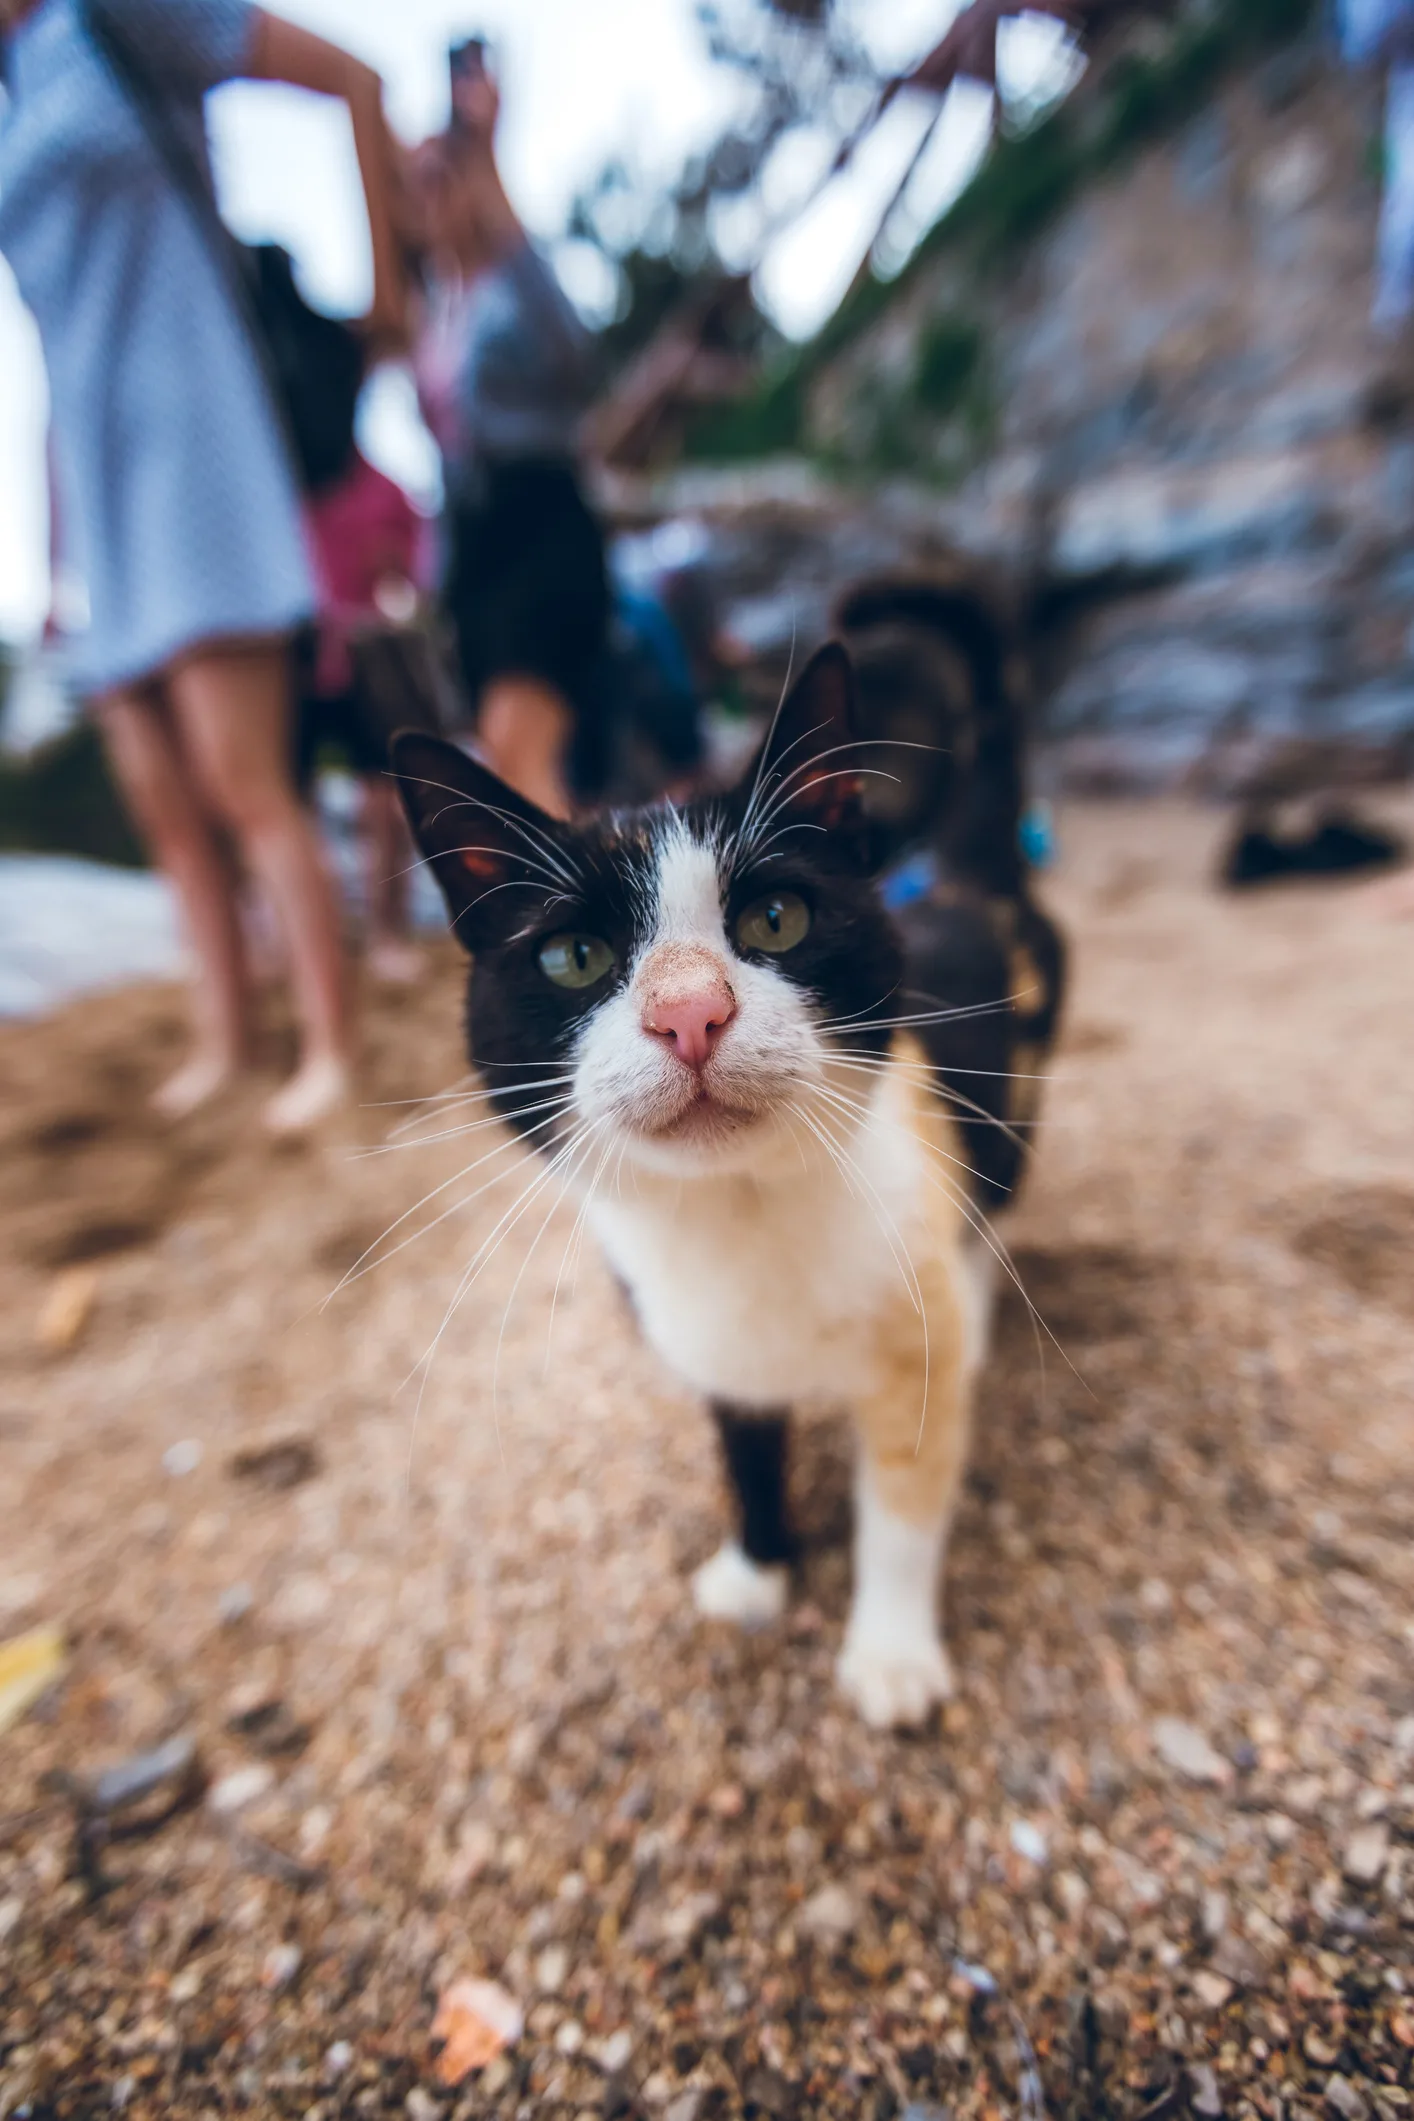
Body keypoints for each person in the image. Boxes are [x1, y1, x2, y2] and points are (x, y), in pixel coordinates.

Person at [0, 0, 404, 1130]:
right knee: (163, 799)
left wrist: (389, 296)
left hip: (198, 443)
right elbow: (49, 347)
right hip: (99, 475)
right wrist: (49, 559)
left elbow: (350, 76)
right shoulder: (15, 90)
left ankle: (328, 1038)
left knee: (244, 779)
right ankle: (225, 1038)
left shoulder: (114, 17)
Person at [404, 40, 608, 819]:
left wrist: (489, 155)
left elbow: (572, 351)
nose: (420, 197)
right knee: (508, 753)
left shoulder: (511, 283)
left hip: (542, 527)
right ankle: (565, 925)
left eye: (433, 178)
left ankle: (563, 928)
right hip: (479, 557)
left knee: (519, 743)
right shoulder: (436, 312)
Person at [298, 446, 444, 985]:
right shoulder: (281, 484)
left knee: (386, 801)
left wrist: (392, 575)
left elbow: (412, 587)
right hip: (296, 660)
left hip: (368, 662)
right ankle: (306, 937)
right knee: (289, 807)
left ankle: (387, 933)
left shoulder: (387, 490)